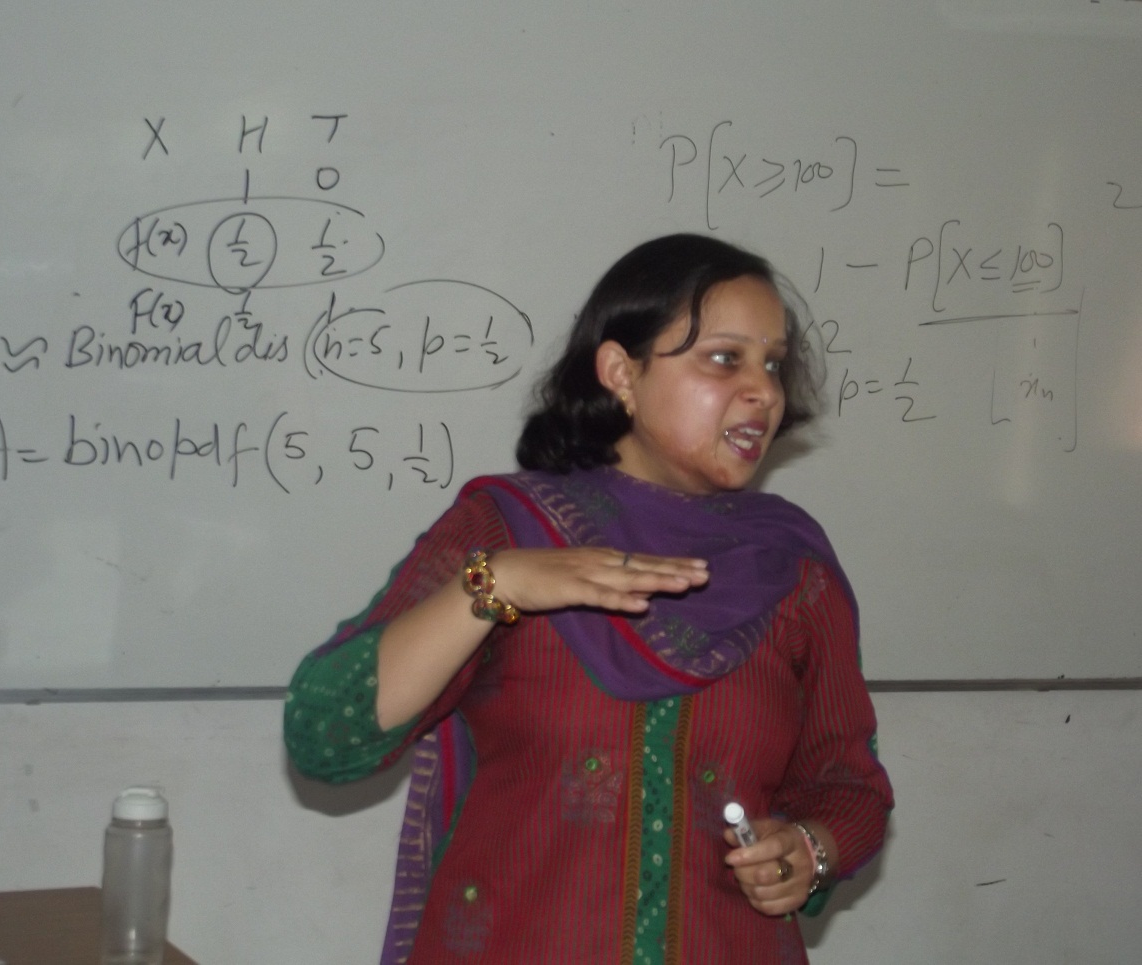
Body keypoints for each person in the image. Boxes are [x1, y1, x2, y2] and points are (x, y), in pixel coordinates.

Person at [285, 234, 894, 964]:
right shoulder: (510, 530)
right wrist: (497, 584)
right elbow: (328, 735)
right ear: (620, 372)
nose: (763, 390)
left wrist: (809, 849)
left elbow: (846, 783)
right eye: (724, 358)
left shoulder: (790, 567)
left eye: (772, 364)